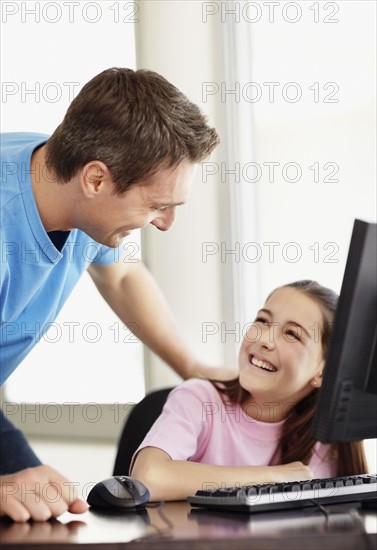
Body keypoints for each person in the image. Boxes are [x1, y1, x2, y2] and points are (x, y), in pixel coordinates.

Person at [0, 67, 232, 522]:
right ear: (96, 180)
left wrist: (193, 369)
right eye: (157, 205)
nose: (165, 224)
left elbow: (123, 278)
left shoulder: (65, 174)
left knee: (47, 512)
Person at [131, 280, 368, 501]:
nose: (265, 339)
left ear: (322, 373)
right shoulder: (198, 399)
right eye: (263, 321)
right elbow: (148, 478)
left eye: (291, 334)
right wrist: (274, 477)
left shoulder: (325, 442)